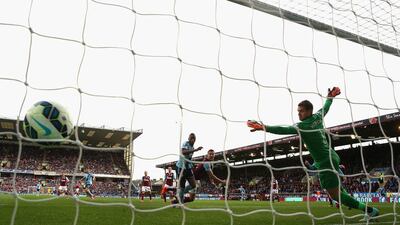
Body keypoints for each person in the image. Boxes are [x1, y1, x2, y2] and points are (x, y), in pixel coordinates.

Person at [247, 87, 379, 220]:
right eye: (298, 111)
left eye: (301, 111)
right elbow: (326, 107)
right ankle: (329, 172)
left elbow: (284, 129)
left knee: (335, 196)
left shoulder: (303, 126)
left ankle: (370, 210)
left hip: (325, 162)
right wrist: (330, 97)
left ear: (309, 111)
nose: (299, 114)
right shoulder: (317, 116)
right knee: (337, 190)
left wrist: (264, 127)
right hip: (332, 156)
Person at [175, 133, 202, 204]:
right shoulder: (185, 143)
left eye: (194, 138)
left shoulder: (192, 147)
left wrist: (191, 164)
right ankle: (180, 202)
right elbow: (183, 152)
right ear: (188, 138)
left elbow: (188, 158)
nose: (193, 139)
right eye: (191, 138)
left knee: (194, 185)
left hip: (188, 167)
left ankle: (179, 194)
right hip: (181, 168)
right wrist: (195, 150)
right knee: (182, 186)